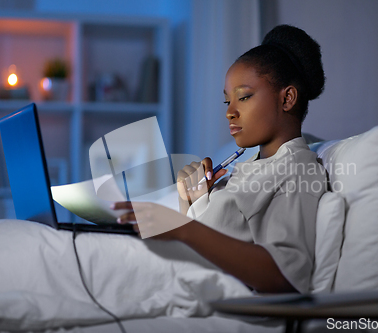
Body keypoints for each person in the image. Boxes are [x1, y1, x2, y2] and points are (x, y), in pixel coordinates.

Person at [112, 24, 326, 294]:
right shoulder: (248, 166)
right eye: (227, 102)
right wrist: (193, 200)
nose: (230, 113)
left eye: (244, 97)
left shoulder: (297, 170)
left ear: (288, 98)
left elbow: (286, 275)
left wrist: (184, 229)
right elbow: (211, 246)